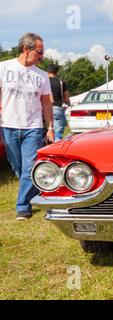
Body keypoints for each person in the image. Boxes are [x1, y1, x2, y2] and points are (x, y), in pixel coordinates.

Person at [0, 32, 54, 220]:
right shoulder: (3, 67)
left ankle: (23, 206)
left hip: (33, 127)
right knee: (18, 167)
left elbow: (47, 103)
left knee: (29, 168)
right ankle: (36, 192)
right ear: (26, 48)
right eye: (39, 51)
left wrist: (50, 127)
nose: (42, 56)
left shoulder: (41, 75)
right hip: (8, 126)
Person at [47, 64, 70, 142]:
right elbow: (66, 98)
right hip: (57, 108)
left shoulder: (44, 81)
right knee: (58, 134)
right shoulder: (61, 82)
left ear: (48, 71)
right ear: (57, 72)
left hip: (45, 109)